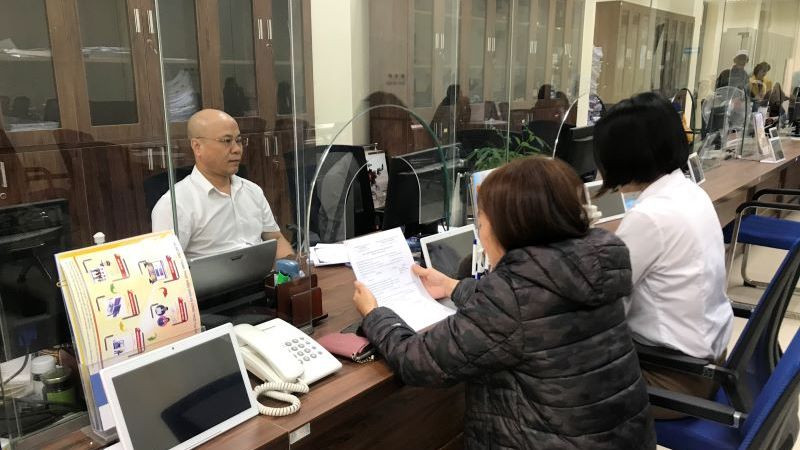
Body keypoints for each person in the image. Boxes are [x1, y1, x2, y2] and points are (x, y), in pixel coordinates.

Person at [352, 156, 655, 448]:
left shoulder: (513, 298)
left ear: (511, 229)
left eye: (482, 224)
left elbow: (417, 361)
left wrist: (375, 314)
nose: (481, 235)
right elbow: (534, 309)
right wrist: (452, 286)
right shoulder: (595, 264)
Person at [593, 92, 733, 419]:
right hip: (708, 361)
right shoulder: (689, 192)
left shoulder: (651, 217)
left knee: (549, 382)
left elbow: (604, 308)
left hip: (673, 378)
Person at [152, 109, 293, 260]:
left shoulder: (252, 191)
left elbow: (276, 239)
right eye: (226, 141)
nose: (237, 149)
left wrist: (292, 267)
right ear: (197, 147)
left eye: (238, 140)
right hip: (210, 276)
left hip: (261, 273)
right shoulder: (174, 205)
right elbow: (166, 265)